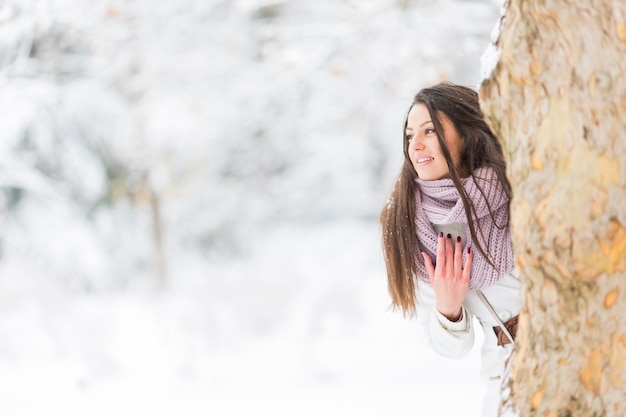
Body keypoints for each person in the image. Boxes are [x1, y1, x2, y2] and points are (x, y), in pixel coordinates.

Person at [380, 82, 521, 417]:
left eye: (430, 130)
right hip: (513, 375)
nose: (417, 145)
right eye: (410, 135)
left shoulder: (519, 185)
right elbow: (450, 348)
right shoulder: (412, 223)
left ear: (467, 134)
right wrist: (448, 307)